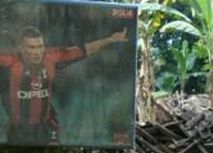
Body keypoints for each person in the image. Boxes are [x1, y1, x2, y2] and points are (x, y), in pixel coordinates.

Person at [0, 26, 128, 145]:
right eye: (31, 47)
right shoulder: (9, 62)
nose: (37, 52)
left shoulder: (51, 57)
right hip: (18, 129)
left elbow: (83, 50)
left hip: (46, 126)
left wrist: (111, 39)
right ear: (21, 48)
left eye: (40, 46)